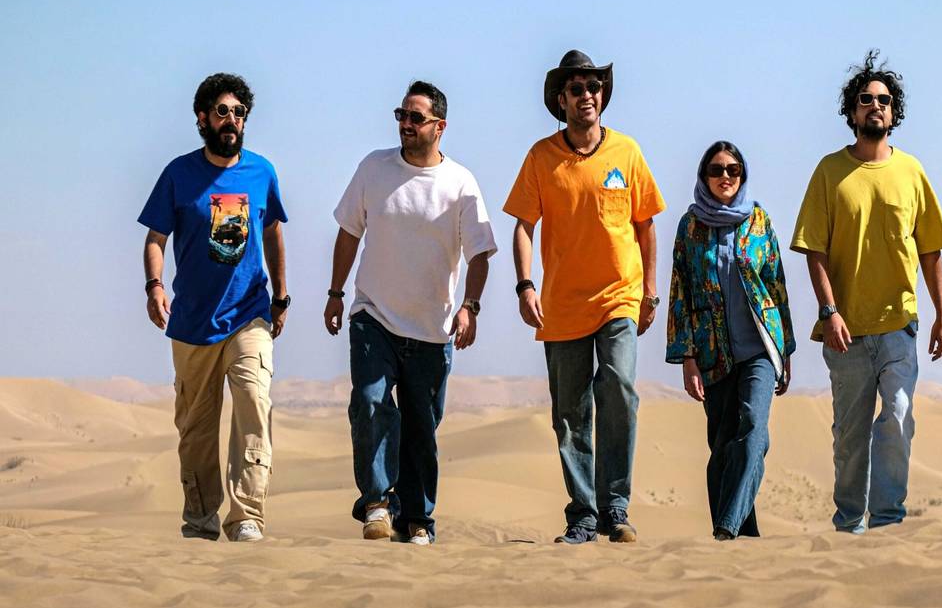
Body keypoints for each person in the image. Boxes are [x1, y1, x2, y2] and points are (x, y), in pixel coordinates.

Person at [503, 50, 666, 544]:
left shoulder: (627, 152)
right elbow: (523, 226)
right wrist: (525, 285)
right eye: (576, 89)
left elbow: (645, 225)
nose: (587, 96)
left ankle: (616, 506)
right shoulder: (541, 157)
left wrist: (650, 291)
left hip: (620, 296)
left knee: (619, 390)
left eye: (594, 87)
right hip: (562, 305)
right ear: (562, 100)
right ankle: (583, 515)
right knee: (571, 413)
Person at [325, 80, 497, 544]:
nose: (405, 123)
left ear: (440, 127)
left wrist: (470, 307)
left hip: (432, 329)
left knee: (422, 427)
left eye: (415, 117)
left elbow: (480, 253)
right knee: (369, 402)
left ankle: (418, 518)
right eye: (401, 114)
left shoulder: (460, 183)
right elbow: (348, 233)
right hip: (373, 316)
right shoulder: (373, 168)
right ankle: (377, 503)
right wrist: (336, 292)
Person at [790, 50, 942, 533]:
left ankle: (887, 523)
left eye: (883, 100)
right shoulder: (829, 172)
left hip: (900, 324)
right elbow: (814, 250)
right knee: (849, 437)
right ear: (852, 111)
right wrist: (829, 311)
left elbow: (931, 249)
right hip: (846, 331)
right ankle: (848, 525)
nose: (875, 106)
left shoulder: (912, 172)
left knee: (898, 419)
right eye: (865, 100)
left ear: (894, 112)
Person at [138, 72, 289, 543]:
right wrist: (154, 286)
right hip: (193, 322)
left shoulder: (262, 172)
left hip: (250, 314)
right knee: (196, 428)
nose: (232, 120)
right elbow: (156, 237)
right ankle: (200, 519)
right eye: (222, 111)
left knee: (254, 401)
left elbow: (273, 232)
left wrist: (281, 296)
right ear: (202, 118)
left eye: (239, 113)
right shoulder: (178, 174)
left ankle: (247, 516)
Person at [666, 141, 796, 540]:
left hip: (760, 349)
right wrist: (687, 357)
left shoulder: (759, 221)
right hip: (712, 351)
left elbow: (775, 282)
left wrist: (786, 349)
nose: (725, 176)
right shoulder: (690, 227)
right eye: (717, 169)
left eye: (733, 170)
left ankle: (726, 527)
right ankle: (743, 536)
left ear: (743, 175)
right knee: (723, 446)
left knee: (753, 430)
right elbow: (680, 291)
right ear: (704, 176)